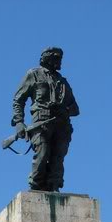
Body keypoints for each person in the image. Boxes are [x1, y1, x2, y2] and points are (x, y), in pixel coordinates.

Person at [11, 46, 80, 192]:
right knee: (42, 154)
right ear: (47, 58)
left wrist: (65, 110)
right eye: (56, 58)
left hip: (61, 125)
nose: (60, 61)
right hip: (41, 124)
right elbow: (18, 100)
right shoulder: (34, 74)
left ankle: (54, 185)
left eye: (60, 58)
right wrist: (19, 122)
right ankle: (36, 185)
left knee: (58, 156)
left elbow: (75, 108)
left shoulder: (63, 82)